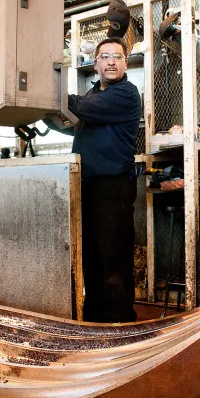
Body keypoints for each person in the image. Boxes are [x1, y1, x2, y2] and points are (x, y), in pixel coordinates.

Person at [47, 36, 141, 323]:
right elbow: (76, 125)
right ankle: (95, 318)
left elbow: (80, 110)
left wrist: (44, 94)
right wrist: (46, 116)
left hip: (113, 189)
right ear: (95, 62)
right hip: (88, 187)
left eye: (117, 56)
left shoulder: (125, 94)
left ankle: (119, 321)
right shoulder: (92, 96)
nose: (111, 61)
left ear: (125, 63)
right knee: (92, 257)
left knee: (113, 258)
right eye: (105, 56)